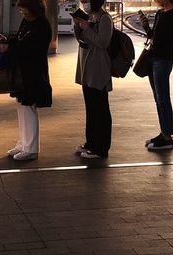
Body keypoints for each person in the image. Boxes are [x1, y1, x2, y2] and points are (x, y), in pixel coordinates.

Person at [0, 0, 53, 161]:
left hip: (34, 73)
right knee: (22, 107)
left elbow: (32, 49)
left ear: (33, 8)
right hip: (22, 72)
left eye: (24, 10)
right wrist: (7, 40)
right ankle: (23, 143)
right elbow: (19, 40)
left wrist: (10, 48)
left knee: (29, 108)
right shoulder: (28, 22)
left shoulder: (42, 25)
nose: (22, 13)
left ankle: (31, 148)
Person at [73, 0, 113, 159]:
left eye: (86, 0)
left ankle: (101, 148)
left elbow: (103, 42)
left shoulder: (105, 18)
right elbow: (83, 40)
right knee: (91, 108)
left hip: (98, 69)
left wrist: (87, 28)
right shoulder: (89, 16)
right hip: (87, 68)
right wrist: (78, 27)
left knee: (100, 109)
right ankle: (91, 143)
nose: (84, 3)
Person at [140, 0, 173, 150]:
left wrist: (154, 44)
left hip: (162, 61)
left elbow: (165, 41)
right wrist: (145, 26)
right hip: (154, 60)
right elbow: (153, 36)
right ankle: (163, 132)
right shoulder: (160, 13)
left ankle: (167, 138)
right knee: (158, 98)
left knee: (163, 98)